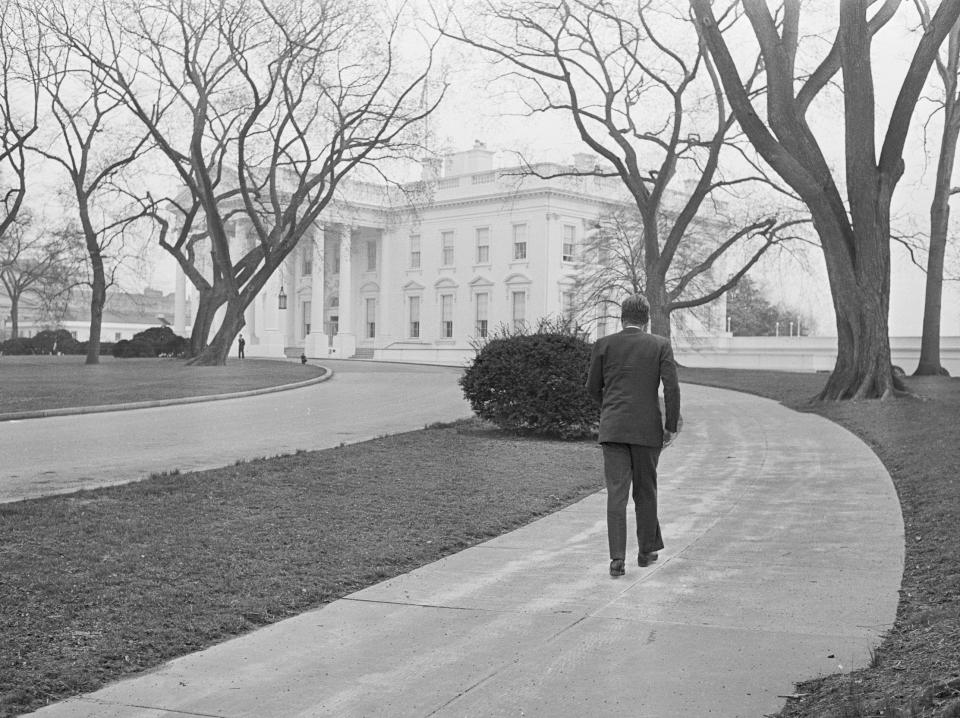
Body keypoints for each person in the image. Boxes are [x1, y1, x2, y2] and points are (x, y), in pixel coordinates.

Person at [586, 294, 681, 578]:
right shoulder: (660, 345)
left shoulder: (603, 345)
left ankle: (616, 559)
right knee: (645, 491)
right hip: (646, 429)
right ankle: (645, 551)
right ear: (647, 318)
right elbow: (672, 388)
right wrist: (670, 425)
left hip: (613, 429)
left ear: (622, 317)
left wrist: (610, 410)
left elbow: (592, 387)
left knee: (617, 494)